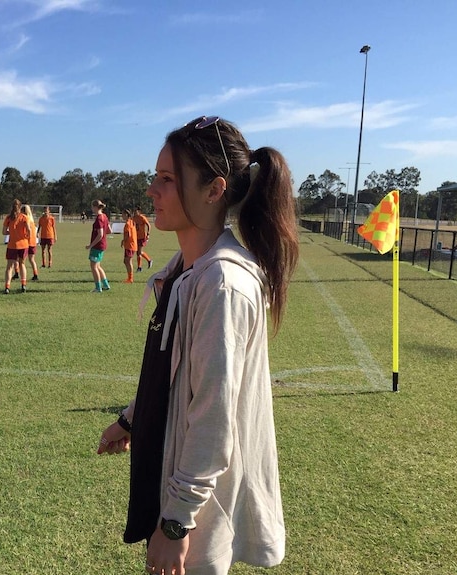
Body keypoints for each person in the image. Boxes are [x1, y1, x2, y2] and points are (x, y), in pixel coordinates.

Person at [97, 116, 298, 575]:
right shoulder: (184, 270)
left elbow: (213, 419)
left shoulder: (222, 284)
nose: (152, 190)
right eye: (156, 176)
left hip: (201, 513)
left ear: (214, 189)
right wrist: (132, 419)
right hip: (174, 488)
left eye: (167, 179)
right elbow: (175, 374)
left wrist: (176, 524)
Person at [2, 198, 31, 293]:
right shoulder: (24, 217)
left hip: (12, 245)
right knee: (22, 264)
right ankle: (23, 285)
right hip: (23, 244)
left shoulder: (8, 218)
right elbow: (29, 230)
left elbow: (4, 232)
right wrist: (26, 237)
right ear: (20, 207)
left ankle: (7, 287)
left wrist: (11, 232)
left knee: (9, 266)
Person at [86, 199, 111, 292]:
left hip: (97, 246)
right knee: (98, 266)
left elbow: (100, 234)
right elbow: (109, 230)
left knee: (93, 266)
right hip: (102, 245)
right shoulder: (105, 216)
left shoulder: (99, 218)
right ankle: (105, 284)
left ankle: (98, 287)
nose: (91, 208)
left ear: (95, 207)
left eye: (92, 207)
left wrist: (90, 245)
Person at [22, 204, 40, 281]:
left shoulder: (25, 220)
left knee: (22, 261)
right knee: (32, 260)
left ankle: (21, 276)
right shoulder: (32, 221)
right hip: (33, 242)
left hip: (26, 242)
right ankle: (35, 274)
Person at [134, 206, 154, 271]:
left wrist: (148, 234)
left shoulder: (142, 218)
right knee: (139, 252)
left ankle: (139, 267)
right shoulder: (133, 218)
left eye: (136, 211)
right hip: (135, 237)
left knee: (138, 252)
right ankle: (149, 260)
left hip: (142, 237)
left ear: (139, 211)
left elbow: (149, 225)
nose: (134, 212)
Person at [121, 208, 138, 283]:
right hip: (132, 244)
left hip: (130, 245)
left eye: (123, 214)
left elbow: (128, 234)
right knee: (126, 261)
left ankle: (130, 278)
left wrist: (123, 241)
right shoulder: (131, 222)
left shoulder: (128, 223)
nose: (122, 216)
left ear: (126, 215)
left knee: (128, 261)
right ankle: (129, 278)